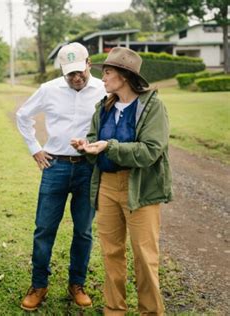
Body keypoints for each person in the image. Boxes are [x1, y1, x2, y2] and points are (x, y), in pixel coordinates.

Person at [71, 47, 173, 315]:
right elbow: (95, 138)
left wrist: (110, 146)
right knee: (111, 253)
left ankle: (151, 312)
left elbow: (152, 150)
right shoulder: (104, 106)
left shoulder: (151, 106)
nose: (102, 79)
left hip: (139, 188)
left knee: (144, 256)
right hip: (106, 185)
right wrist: (87, 146)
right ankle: (114, 310)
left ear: (125, 76)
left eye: (107, 73)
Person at [16, 42, 106, 311]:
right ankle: (39, 285)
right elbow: (23, 115)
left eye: (80, 71)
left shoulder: (103, 89)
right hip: (54, 167)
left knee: (84, 231)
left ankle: (76, 284)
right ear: (63, 71)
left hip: (88, 168)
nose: (76, 78)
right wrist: (35, 149)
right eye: (70, 74)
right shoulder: (49, 90)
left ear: (89, 64)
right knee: (44, 229)